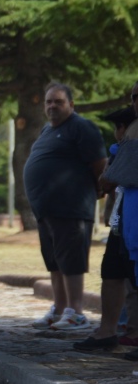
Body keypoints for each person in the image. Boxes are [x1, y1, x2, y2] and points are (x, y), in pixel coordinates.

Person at [23, 82, 107, 332]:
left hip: (71, 209)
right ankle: (59, 308)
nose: (52, 106)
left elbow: (100, 164)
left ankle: (76, 313)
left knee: (70, 261)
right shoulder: (46, 131)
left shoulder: (81, 127)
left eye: (58, 101)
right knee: (55, 262)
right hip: (47, 211)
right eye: (48, 101)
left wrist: (98, 191)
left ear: (71, 104)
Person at [73, 104, 137, 351]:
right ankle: (108, 330)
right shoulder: (123, 143)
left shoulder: (131, 139)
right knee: (112, 271)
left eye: (119, 127)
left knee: (133, 276)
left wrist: (108, 177)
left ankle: (130, 330)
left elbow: (110, 178)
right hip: (121, 219)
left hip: (133, 217)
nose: (117, 132)